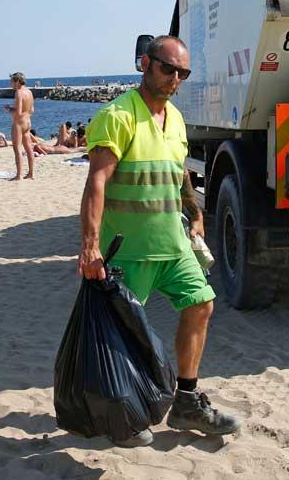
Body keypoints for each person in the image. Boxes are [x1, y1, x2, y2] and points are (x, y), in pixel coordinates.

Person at [78, 35, 240, 448]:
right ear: (145, 65)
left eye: (182, 73)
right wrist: (90, 246)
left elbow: (179, 171)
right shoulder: (118, 116)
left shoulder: (177, 119)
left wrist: (197, 212)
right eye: (168, 69)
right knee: (123, 333)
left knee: (201, 303)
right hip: (128, 250)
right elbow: (97, 182)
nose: (175, 79)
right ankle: (122, 415)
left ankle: (186, 401)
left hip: (173, 244)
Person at [4, 72, 35, 180]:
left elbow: (18, 112)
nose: (10, 84)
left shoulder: (19, 92)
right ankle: (31, 173)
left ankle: (19, 175)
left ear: (17, 81)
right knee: (29, 149)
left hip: (19, 123)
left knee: (17, 149)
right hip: (28, 122)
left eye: (12, 81)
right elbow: (32, 110)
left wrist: (9, 109)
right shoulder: (29, 92)